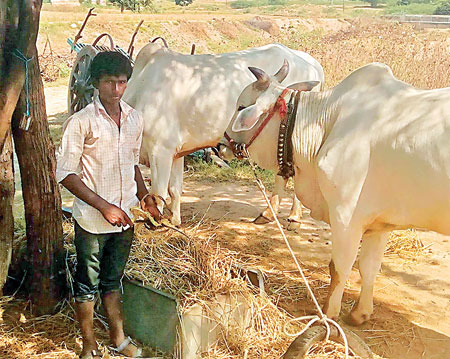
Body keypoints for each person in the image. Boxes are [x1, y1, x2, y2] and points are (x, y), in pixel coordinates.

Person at [56, 51, 159, 359]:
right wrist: (103, 206)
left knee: (113, 280)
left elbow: (132, 163)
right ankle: (88, 344)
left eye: (122, 82)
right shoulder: (82, 122)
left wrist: (144, 195)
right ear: (96, 84)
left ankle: (119, 338)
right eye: (109, 82)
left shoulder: (134, 119)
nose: (116, 90)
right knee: (88, 282)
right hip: (91, 219)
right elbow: (65, 174)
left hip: (125, 216)